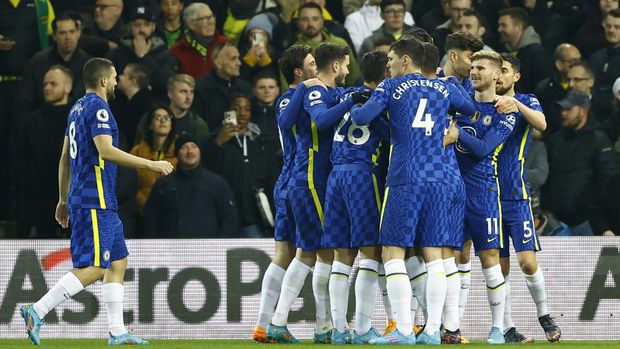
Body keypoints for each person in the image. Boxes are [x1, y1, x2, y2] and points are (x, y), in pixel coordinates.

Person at [19, 57, 172, 346]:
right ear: (103, 80)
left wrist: (63, 199)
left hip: (92, 197)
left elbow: (65, 158)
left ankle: (117, 332)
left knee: (117, 260)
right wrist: (150, 165)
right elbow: (106, 150)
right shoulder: (99, 108)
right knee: (96, 266)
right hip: (95, 197)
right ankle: (37, 309)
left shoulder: (76, 108)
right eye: (114, 77)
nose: (116, 82)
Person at [350, 38, 475, 345]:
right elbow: (470, 109)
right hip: (438, 177)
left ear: (406, 61)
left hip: (406, 176)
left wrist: (359, 105)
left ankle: (405, 329)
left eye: (391, 59)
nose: (388, 65)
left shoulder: (391, 87)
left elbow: (362, 118)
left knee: (392, 252)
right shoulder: (442, 87)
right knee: (434, 256)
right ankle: (433, 331)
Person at [268, 42, 359, 344]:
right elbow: (317, 120)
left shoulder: (327, 90)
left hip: (315, 179)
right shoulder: (315, 90)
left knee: (312, 253)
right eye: (345, 64)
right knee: (321, 253)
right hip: (309, 178)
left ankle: (311, 326)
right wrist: (348, 103)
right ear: (335, 65)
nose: (347, 70)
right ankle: (315, 326)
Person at [445, 51, 514, 344]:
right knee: (454, 258)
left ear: (497, 75)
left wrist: (457, 134)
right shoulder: (459, 103)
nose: (473, 71)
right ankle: (453, 328)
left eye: (481, 68)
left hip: (483, 193)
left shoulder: (505, 112)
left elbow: (484, 148)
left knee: (489, 261)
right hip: (452, 193)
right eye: (472, 67)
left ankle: (499, 328)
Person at [252, 44, 318, 343]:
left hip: (288, 181)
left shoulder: (293, 98)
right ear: (298, 72)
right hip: (297, 180)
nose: (316, 67)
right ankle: (273, 324)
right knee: (306, 254)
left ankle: (264, 326)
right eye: (312, 63)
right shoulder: (292, 99)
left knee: (284, 255)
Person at [494, 53, 561, 343]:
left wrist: (516, 104)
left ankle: (544, 314)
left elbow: (542, 124)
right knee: (499, 267)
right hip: (487, 196)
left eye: (504, 71)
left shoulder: (528, 100)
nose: (498, 76)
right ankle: (507, 327)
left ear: (515, 77)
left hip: (517, 195)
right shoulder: (482, 103)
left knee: (528, 263)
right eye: (496, 71)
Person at [203, 93, 279, 238]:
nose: (242, 113)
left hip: (253, 214)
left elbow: (270, 175)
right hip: (223, 212)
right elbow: (208, 169)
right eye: (236, 108)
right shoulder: (213, 139)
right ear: (228, 112)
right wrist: (218, 142)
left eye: (247, 109)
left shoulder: (261, 139)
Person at [542, 90, 618, 236]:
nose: (563, 113)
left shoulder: (598, 140)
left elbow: (608, 178)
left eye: (569, 109)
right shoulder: (555, 140)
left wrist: (586, 203)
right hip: (555, 222)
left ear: (583, 111)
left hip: (585, 221)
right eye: (562, 109)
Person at [14, 65, 73, 238]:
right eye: (45, 84)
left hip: (75, 201)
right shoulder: (31, 122)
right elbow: (20, 158)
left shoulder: (81, 119)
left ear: (67, 87)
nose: (47, 88)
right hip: (39, 204)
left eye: (53, 84)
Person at [143, 134, 238, 238]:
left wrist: (217, 248)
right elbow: (150, 218)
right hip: (169, 250)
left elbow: (229, 220)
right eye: (184, 147)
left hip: (207, 250)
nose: (190, 151)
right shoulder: (163, 183)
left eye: (194, 146)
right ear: (177, 154)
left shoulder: (217, 183)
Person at [17, 11, 91, 114]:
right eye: (62, 33)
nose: (68, 37)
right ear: (54, 36)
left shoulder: (89, 65)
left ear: (78, 33)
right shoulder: (37, 62)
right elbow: (25, 100)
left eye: (72, 32)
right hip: (42, 122)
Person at [106, 4, 178, 97]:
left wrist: (144, 56)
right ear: (131, 27)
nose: (142, 29)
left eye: (146, 24)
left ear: (153, 27)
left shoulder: (165, 54)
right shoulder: (117, 53)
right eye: (137, 25)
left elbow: (165, 84)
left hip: (155, 105)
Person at [130, 105, 178, 213]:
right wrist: (145, 205)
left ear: (171, 125)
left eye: (167, 117)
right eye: (157, 117)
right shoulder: (137, 152)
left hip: (172, 213)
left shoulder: (179, 152)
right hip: (142, 211)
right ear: (150, 125)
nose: (163, 121)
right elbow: (130, 184)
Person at [497, 7, 551, 94]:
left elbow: (542, 87)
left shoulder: (536, 53)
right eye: (499, 25)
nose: (499, 29)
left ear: (518, 27)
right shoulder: (505, 50)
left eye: (504, 25)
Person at [170, 3, 228, 80]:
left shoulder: (226, 45)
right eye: (205, 18)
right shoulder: (177, 51)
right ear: (191, 24)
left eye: (211, 17)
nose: (210, 22)